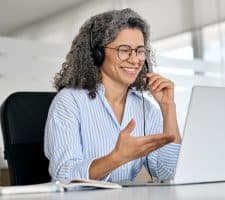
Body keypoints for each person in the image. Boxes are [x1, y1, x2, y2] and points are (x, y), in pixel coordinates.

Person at [44, 8, 181, 182]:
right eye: (124, 50)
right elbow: (63, 175)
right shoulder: (69, 101)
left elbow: (167, 173)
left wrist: (168, 107)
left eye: (139, 50)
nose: (134, 59)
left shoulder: (145, 108)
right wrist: (116, 158)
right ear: (98, 54)